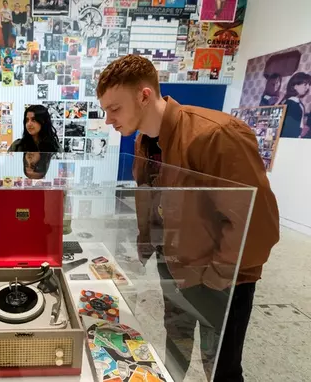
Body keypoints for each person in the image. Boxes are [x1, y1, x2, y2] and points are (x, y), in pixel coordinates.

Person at [97, 55, 279, 382]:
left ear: (144, 95)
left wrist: (214, 278)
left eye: (114, 108)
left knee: (221, 367)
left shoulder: (217, 134)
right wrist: (146, 248)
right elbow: (153, 199)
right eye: (105, 110)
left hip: (222, 280)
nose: (108, 119)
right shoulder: (144, 140)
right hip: (176, 267)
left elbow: (256, 222)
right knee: (174, 352)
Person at [280, 72, 311, 138]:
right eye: (305, 84)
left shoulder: (298, 103)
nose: (308, 87)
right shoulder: (290, 103)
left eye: (309, 84)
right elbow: (288, 128)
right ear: (295, 86)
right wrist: (301, 132)